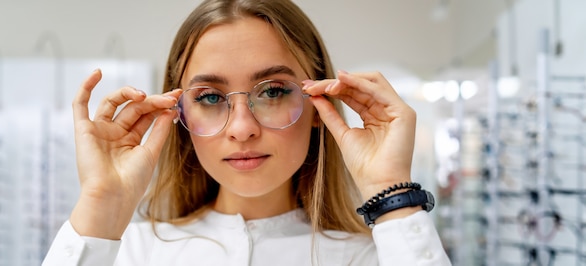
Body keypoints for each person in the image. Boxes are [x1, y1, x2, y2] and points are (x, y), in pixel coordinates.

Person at [43, 0, 452, 265]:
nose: (241, 129)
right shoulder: (128, 252)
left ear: (318, 106)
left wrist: (390, 189)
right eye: (208, 97)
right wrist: (101, 204)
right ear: (176, 112)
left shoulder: (380, 254)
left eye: (273, 91)